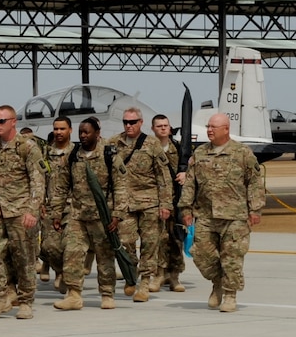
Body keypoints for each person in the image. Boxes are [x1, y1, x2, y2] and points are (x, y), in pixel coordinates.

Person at [179, 113, 265, 312]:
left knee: (232, 257)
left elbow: (254, 182)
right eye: (208, 126)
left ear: (226, 129)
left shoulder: (242, 153)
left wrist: (256, 209)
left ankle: (229, 294)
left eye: (213, 127)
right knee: (200, 254)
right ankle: (217, 282)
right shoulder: (200, 153)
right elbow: (190, 183)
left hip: (234, 216)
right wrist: (185, 208)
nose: (209, 130)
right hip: (205, 215)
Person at [49, 117, 128, 310]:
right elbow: (62, 185)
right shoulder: (74, 154)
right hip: (77, 215)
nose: (83, 136)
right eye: (81, 133)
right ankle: (74, 294)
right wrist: (57, 213)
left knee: (104, 256)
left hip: (103, 216)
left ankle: (107, 293)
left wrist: (117, 214)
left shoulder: (109, 155)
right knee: (72, 253)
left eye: (87, 132)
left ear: (97, 133)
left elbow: (121, 186)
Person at [0, 105, 45, 320]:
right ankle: (2, 295)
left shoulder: (27, 147)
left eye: (1, 121)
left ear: (13, 121)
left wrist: (32, 210)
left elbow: (38, 180)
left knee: (23, 256)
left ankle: (25, 300)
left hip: (20, 208)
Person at [108, 106, 172, 300]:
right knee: (125, 241)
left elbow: (164, 176)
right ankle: (131, 271)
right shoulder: (113, 143)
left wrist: (166, 204)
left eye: (132, 122)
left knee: (150, 244)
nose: (129, 125)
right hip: (124, 203)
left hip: (149, 202)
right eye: (125, 122)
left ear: (141, 123)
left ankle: (144, 283)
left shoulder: (152, 144)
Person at [151, 114, 186, 292]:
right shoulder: (148, 148)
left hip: (175, 200)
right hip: (154, 201)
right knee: (158, 239)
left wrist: (185, 173)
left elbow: (192, 168)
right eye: (159, 126)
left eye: (165, 125)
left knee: (176, 239)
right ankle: (158, 274)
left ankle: (174, 276)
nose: (163, 128)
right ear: (153, 129)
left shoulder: (179, 149)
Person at [39, 116, 74, 290]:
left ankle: (67, 276)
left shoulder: (76, 153)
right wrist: (40, 202)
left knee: (70, 246)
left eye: (62, 129)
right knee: (49, 247)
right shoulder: (45, 153)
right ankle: (59, 270)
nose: (59, 132)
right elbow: (39, 178)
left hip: (72, 207)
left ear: (70, 130)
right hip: (51, 206)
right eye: (56, 129)